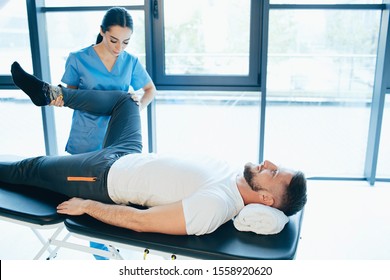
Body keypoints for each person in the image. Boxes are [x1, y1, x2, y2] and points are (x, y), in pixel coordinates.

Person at [2, 62, 307, 236]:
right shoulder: (230, 176)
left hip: (99, 177)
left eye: (274, 171)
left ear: (265, 198)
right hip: (127, 153)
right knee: (126, 100)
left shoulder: (216, 206)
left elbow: (141, 221)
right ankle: (50, 94)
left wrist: (88, 206)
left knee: (28, 168)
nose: (268, 161)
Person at [55, 7, 156, 257]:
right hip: (85, 139)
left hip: (115, 142)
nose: (119, 47)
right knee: (87, 204)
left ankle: (114, 251)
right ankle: (103, 257)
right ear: (101, 32)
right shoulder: (78, 58)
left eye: (125, 42)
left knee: (111, 200)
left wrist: (134, 109)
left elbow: (149, 90)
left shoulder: (130, 62)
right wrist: (59, 98)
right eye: (113, 40)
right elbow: (72, 96)